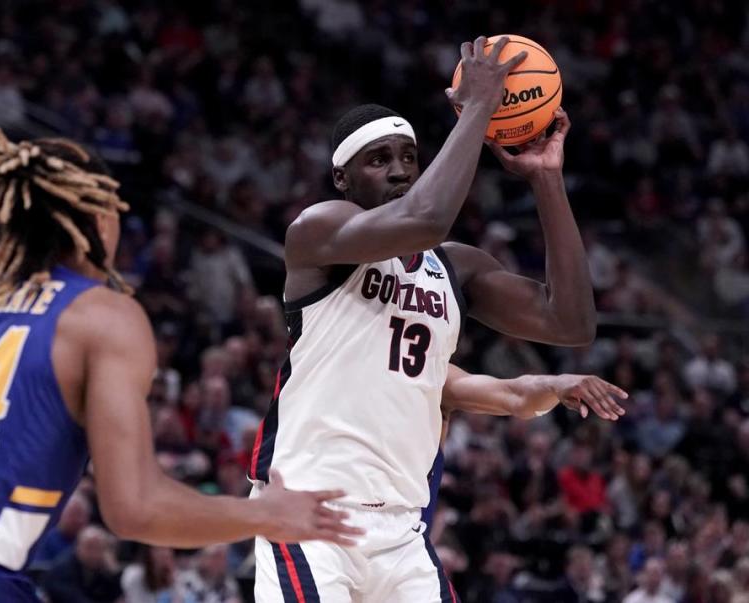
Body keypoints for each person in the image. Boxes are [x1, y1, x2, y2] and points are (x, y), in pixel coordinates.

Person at [0, 130, 361, 602]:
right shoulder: (103, 318)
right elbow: (134, 509)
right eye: (111, 204)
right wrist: (267, 515)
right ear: (90, 215)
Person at [249, 36, 618, 602]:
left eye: (408, 158)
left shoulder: (454, 267)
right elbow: (424, 217)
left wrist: (546, 178)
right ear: (343, 179)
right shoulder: (318, 231)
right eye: (379, 160)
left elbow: (570, 323)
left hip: (401, 532)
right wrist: (479, 107)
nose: (400, 170)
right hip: (307, 514)